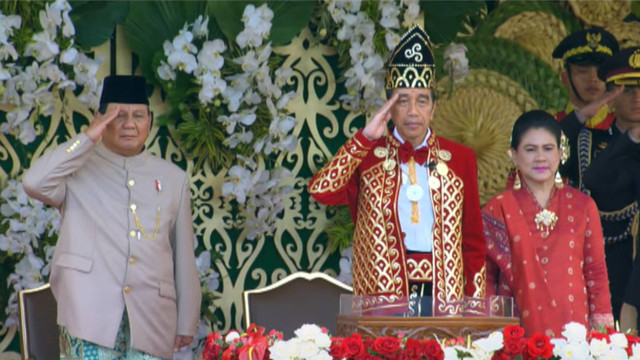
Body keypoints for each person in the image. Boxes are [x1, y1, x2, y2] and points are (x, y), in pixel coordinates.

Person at [308, 25, 486, 317]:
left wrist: (474, 310)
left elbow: (473, 240)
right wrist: (364, 139)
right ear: (389, 107)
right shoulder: (366, 158)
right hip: (382, 298)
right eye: (402, 101)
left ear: (434, 108)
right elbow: (322, 190)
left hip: (445, 298)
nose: (413, 111)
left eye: (422, 100)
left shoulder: (460, 159)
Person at [22, 75, 202, 359]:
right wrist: (87, 138)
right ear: (101, 119)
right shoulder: (75, 168)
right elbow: (34, 182)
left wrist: (187, 318)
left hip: (152, 316)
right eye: (118, 115)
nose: (129, 123)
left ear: (150, 122)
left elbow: (183, 254)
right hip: (88, 314)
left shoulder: (173, 179)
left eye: (138, 115)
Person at [483, 110, 613, 337]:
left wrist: (603, 337)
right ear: (513, 155)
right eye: (530, 150)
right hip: (516, 334)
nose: (540, 157)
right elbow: (486, 279)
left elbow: (596, 274)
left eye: (548, 148)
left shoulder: (583, 206)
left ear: (561, 153)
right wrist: (490, 336)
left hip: (575, 335)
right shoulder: (498, 208)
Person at [506, 28, 620, 190]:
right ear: (565, 78)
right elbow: (518, 188)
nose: (593, 78)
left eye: (600, 72)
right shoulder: (546, 126)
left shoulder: (620, 127)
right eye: (582, 71)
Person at [582, 46, 640, 330]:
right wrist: (630, 140)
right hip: (610, 262)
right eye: (627, 89)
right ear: (611, 96)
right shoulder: (589, 143)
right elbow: (592, 179)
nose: (638, 97)